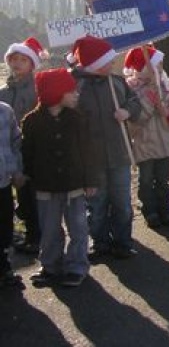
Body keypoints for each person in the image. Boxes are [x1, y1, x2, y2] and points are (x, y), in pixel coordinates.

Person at [21, 68, 103, 288]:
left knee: (78, 227)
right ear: (56, 93)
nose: (76, 95)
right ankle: (50, 265)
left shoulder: (77, 119)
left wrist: (91, 180)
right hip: (45, 186)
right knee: (49, 229)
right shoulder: (31, 122)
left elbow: (88, 151)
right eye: (71, 91)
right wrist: (27, 178)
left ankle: (77, 266)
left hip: (74, 184)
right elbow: (27, 153)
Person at [69, 35, 142, 261]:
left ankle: (123, 242)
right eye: (107, 60)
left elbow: (135, 101)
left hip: (119, 153)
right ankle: (99, 242)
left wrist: (128, 111)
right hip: (91, 159)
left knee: (122, 202)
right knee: (96, 204)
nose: (112, 63)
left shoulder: (117, 82)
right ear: (94, 62)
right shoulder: (75, 85)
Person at [124, 46, 169, 228]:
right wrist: (150, 102)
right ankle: (150, 211)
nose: (158, 68)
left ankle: (165, 210)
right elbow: (135, 119)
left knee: (163, 179)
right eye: (154, 64)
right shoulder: (132, 90)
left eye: (160, 64)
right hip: (145, 143)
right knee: (146, 180)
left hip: (165, 141)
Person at [1, 36, 47, 255]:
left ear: (32, 64)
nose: (17, 63)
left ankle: (40, 236)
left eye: (23, 60)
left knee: (35, 194)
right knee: (22, 196)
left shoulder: (38, 89)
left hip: (34, 149)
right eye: (14, 59)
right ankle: (30, 234)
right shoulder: (4, 92)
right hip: (11, 151)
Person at [0, 100, 24, 288]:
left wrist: (16, 170)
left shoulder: (5, 110)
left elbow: (15, 142)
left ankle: (4, 267)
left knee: (5, 225)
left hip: (3, 181)